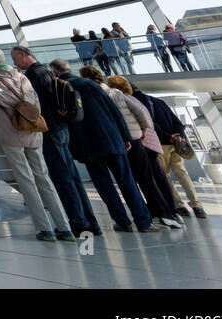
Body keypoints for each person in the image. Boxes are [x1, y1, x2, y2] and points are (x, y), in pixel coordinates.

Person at [49, 60, 155, 233]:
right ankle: (143, 221)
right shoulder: (90, 84)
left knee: (104, 185)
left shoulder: (57, 88)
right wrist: (125, 136)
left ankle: (123, 221)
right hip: (111, 138)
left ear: (54, 73)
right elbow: (114, 111)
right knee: (126, 180)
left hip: (87, 144)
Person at [0, 47, 73, 242]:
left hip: (10, 133)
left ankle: (45, 229)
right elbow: (35, 104)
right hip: (32, 132)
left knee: (25, 180)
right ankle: (65, 227)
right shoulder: (22, 76)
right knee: (44, 178)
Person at [11, 46, 100, 236]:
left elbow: (34, 104)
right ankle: (90, 222)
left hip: (50, 130)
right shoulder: (46, 72)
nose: (14, 63)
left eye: (15, 58)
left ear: (23, 55)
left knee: (62, 178)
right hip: (60, 128)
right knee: (72, 176)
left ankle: (79, 223)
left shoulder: (34, 75)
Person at [101, 75, 183, 228]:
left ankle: (160, 213)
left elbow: (134, 118)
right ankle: (169, 212)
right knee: (153, 178)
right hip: (146, 141)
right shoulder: (133, 98)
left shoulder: (116, 96)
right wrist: (144, 130)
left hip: (137, 142)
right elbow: (144, 116)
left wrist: (139, 133)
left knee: (142, 179)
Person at [131, 83, 206, 219]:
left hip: (160, 145)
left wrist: (167, 137)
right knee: (183, 174)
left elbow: (150, 124)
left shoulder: (137, 103)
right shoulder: (160, 102)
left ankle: (179, 205)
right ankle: (197, 205)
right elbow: (177, 122)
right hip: (175, 145)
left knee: (165, 177)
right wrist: (178, 136)